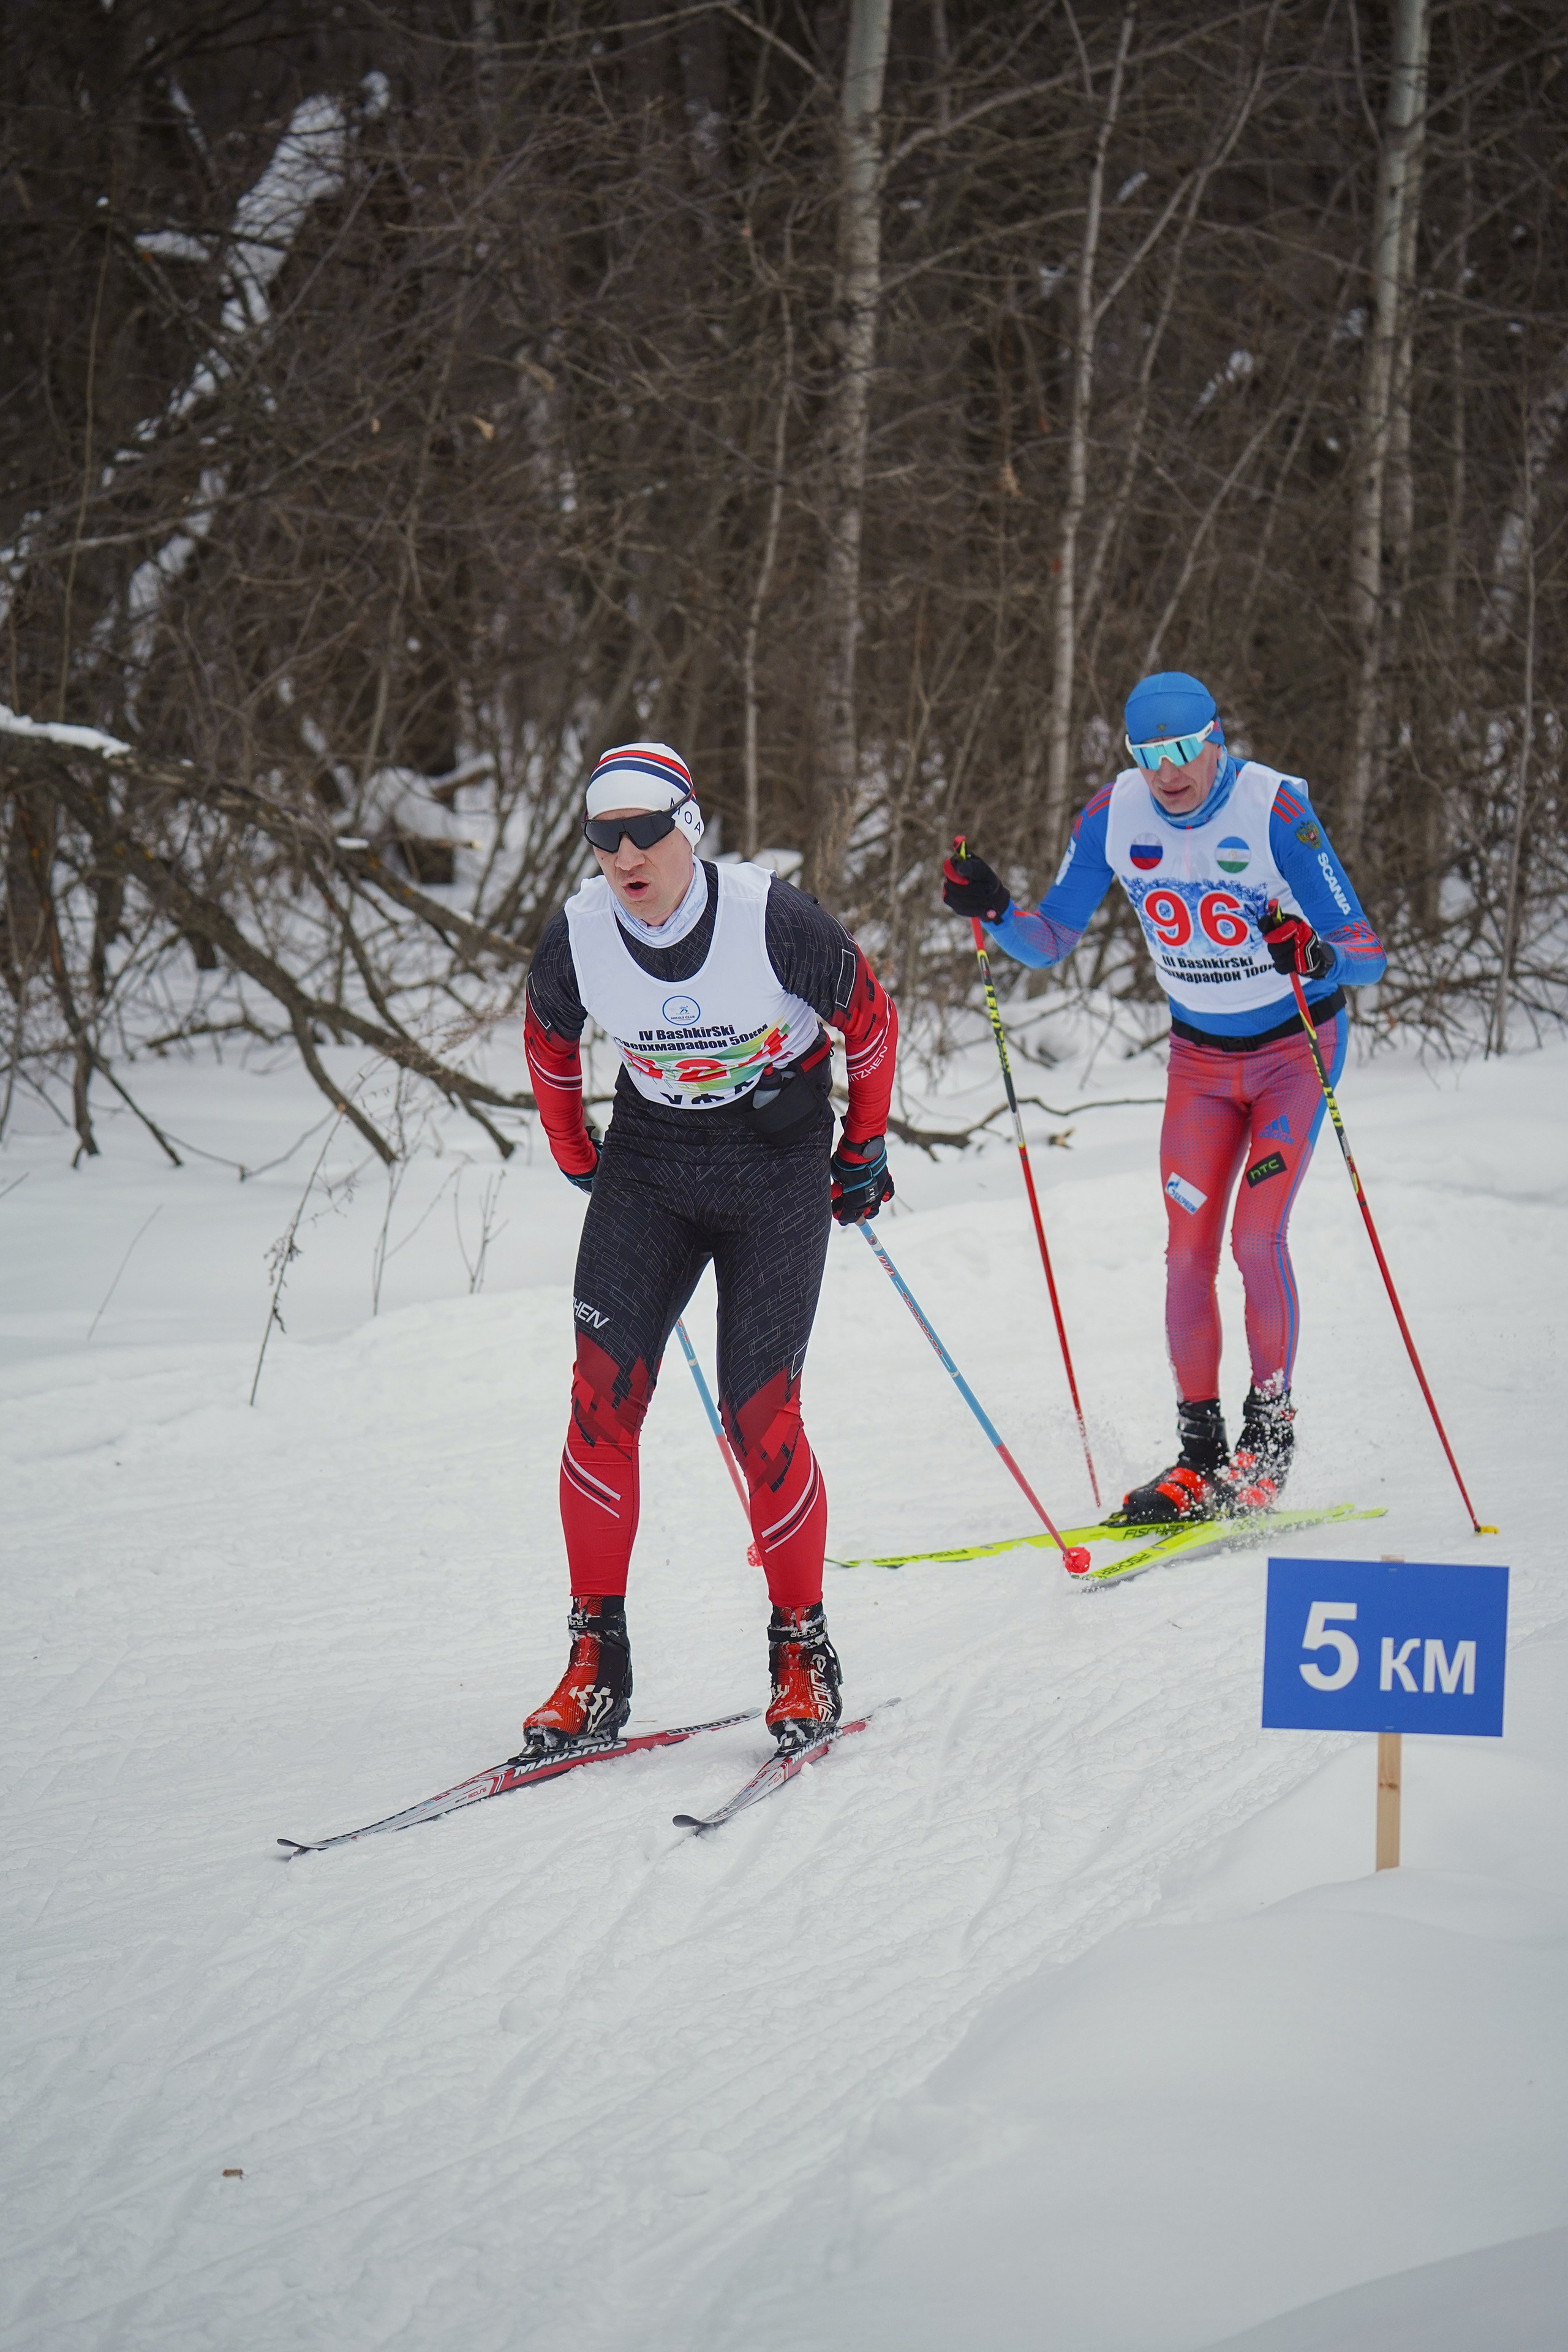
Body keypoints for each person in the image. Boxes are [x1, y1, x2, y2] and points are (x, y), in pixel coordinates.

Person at [521, 741, 897, 1751]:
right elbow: (548, 1040)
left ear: (687, 828)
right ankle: (594, 1664)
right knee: (599, 1404)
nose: (626, 857)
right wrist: (572, 1146)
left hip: (771, 1167)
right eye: (604, 838)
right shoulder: (580, 932)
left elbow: (869, 1022)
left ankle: (801, 1651)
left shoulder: (771, 918)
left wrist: (862, 1148)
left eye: (646, 833)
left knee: (759, 1415)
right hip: (652, 1164)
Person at [942, 671, 1386, 1523]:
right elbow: (1049, 941)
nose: (1169, 771)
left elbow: (1366, 952)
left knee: (1256, 1238)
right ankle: (1200, 1454)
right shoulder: (1113, 816)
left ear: (1217, 739)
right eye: (1148, 755)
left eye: (1184, 749)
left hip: (1294, 1053)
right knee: (1186, 1255)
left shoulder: (1275, 811)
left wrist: (1319, 955)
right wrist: (993, 909)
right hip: (1200, 1065)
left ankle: (1268, 1440)